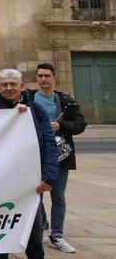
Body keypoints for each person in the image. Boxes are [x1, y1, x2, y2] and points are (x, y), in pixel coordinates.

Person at [0, 68, 58, 259]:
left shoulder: (36, 110)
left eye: (13, 84)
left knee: (33, 229)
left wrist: (49, 176)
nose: (9, 88)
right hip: (0, 182)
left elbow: (48, 143)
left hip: (31, 182)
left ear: (22, 86)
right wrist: (13, 116)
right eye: (4, 85)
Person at [29, 63, 86, 254]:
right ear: (36, 78)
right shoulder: (28, 99)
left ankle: (57, 235)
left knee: (58, 197)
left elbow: (80, 124)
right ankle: (43, 226)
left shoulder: (66, 101)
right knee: (36, 195)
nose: (43, 79)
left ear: (54, 77)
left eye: (47, 76)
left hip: (61, 155)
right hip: (35, 155)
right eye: (40, 76)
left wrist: (61, 126)